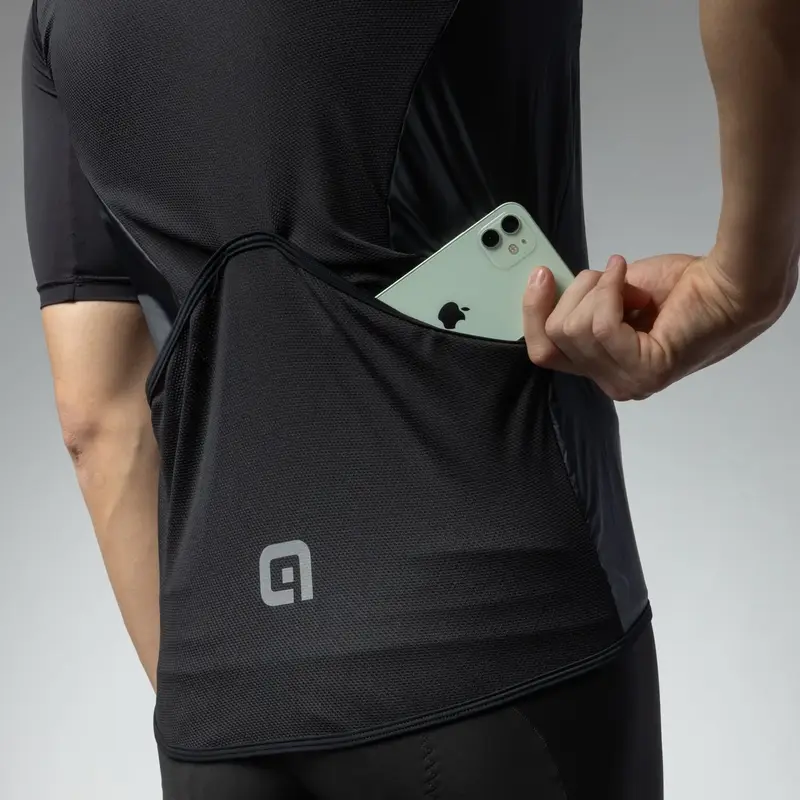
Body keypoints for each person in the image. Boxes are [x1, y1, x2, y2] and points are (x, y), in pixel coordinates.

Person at [20, 0, 798, 798]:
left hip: (223, 710)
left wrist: (243, 692)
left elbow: (97, 422)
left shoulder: (59, 18)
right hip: (501, 642)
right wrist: (747, 279)